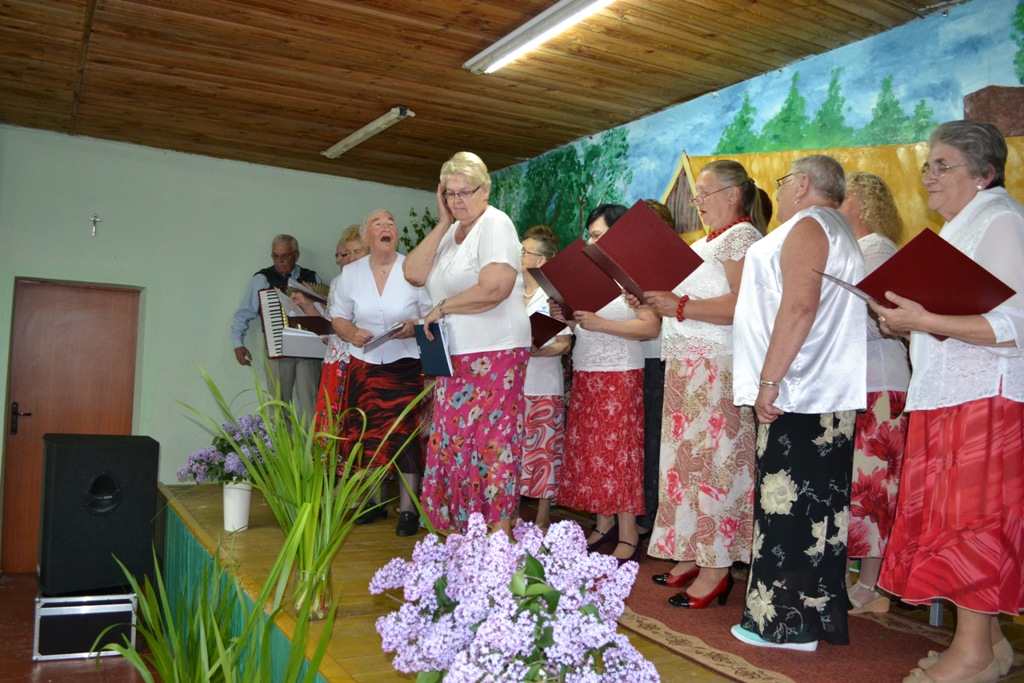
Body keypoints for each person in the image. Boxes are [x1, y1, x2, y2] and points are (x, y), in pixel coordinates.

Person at [874, 121, 1024, 683]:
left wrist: (924, 319)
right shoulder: (964, 227)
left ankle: (973, 654)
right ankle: (990, 646)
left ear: (984, 173)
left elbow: (1015, 325)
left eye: (943, 166)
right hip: (953, 393)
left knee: (974, 523)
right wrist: (908, 322)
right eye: (928, 166)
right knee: (955, 519)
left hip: (987, 396)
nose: (929, 176)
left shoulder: (1001, 219)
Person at [730, 155, 866, 651]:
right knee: (818, 514)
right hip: (823, 392)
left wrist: (770, 380)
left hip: (799, 390)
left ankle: (782, 626)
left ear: (803, 183)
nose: (780, 190)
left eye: (783, 181)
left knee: (785, 510)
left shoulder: (809, 225)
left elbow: (800, 304)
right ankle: (812, 618)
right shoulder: (837, 227)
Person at [642, 160, 765, 609]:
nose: (697, 202)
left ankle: (717, 566)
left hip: (716, 365)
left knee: (715, 466)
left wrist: (679, 306)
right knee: (686, 467)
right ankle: (693, 551)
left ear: (733, 194)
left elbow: (742, 305)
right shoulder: (702, 243)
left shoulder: (742, 237)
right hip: (685, 365)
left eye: (704, 193)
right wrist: (653, 298)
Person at [403, 151, 531, 535]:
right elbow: (413, 273)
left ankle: (498, 537)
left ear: (485, 190)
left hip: (496, 352)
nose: (458, 200)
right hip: (454, 356)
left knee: (491, 444)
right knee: (453, 445)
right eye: (450, 193)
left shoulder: (496, 223)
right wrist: (443, 222)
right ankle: (465, 534)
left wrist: (442, 307)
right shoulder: (450, 232)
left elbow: (494, 288)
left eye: (465, 192)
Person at [554, 204, 661, 563]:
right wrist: (567, 318)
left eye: (598, 235)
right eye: (590, 236)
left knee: (619, 455)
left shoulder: (632, 273)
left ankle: (628, 532)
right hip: (587, 370)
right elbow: (583, 326)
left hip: (621, 373)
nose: (591, 242)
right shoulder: (587, 275)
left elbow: (650, 326)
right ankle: (603, 524)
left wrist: (601, 324)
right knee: (592, 453)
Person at [331, 210, 433, 536]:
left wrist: (413, 327)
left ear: (396, 235)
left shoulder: (413, 269)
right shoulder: (351, 274)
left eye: (391, 223)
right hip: (364, 365)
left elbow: (433, 316)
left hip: (406, 365)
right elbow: (338, 316)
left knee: (405, 437)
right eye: (378, 224)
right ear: (366, 238)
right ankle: (373, 502)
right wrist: (351, 333)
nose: (386, 227)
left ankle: (408, 510)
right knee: (366, 434)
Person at [838, 172, 910, 615]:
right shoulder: (856, 249)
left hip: (880, 380)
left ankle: (871, 586)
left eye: (843, 198)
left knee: (876, 485)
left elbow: (879, 323)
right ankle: (854, 578)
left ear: (863, 204)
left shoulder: (877, 248)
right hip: (858, 381)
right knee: (858, 483)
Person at [231, 234, 323, 419]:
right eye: (275, 256)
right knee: (278, 404)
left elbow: (324, 312)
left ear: (296, 256)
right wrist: (237, 343)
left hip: (309, 348)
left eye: (285, 256)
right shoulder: (262, 279)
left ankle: (312, 439)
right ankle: (280, 439)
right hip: (277, 346)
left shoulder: (311, 278)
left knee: (311, 402)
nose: (279, 261)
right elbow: (244, 312)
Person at [519, 225, 571, 531]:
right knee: (514, 449)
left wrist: (539, 352)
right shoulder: (511, 292)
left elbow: (564, 344)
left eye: (524, 251)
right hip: (514, 385)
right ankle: (509, 510)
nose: (519, 255)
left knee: (544, 451)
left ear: (541, 261)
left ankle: (542, 515)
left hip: (544, 384)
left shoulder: (553, 296)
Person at [305, 225, 368, 441]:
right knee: (334, 421)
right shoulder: (339, 282)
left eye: (357, 252)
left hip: (365, 360)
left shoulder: (381, 280)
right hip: (339, 359)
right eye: (348, 253)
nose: (352, 258)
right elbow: (332, 327)